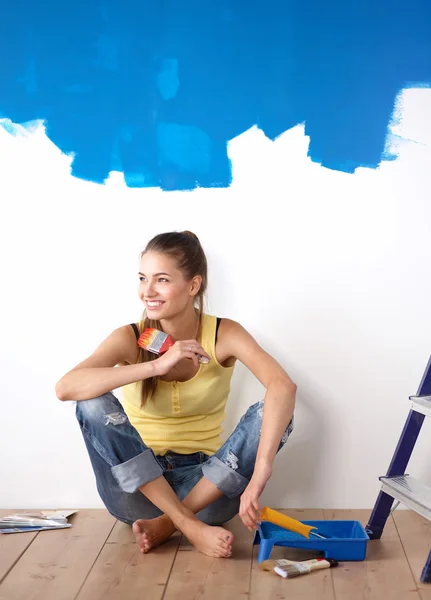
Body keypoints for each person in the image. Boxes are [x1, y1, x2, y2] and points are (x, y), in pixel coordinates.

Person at [55, 231, 296, 558]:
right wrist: (154, 367)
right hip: (138, 493)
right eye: (142, 279)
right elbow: (65, 387)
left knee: (276, 410)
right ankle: (186, 524)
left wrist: (263, 468)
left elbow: (283, 386)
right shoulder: (130, 336)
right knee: (91, 399)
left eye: (162, 280)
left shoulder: (224, 333)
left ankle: (169, 524)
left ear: (194, 286)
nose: (147, 291)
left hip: (208, 490)